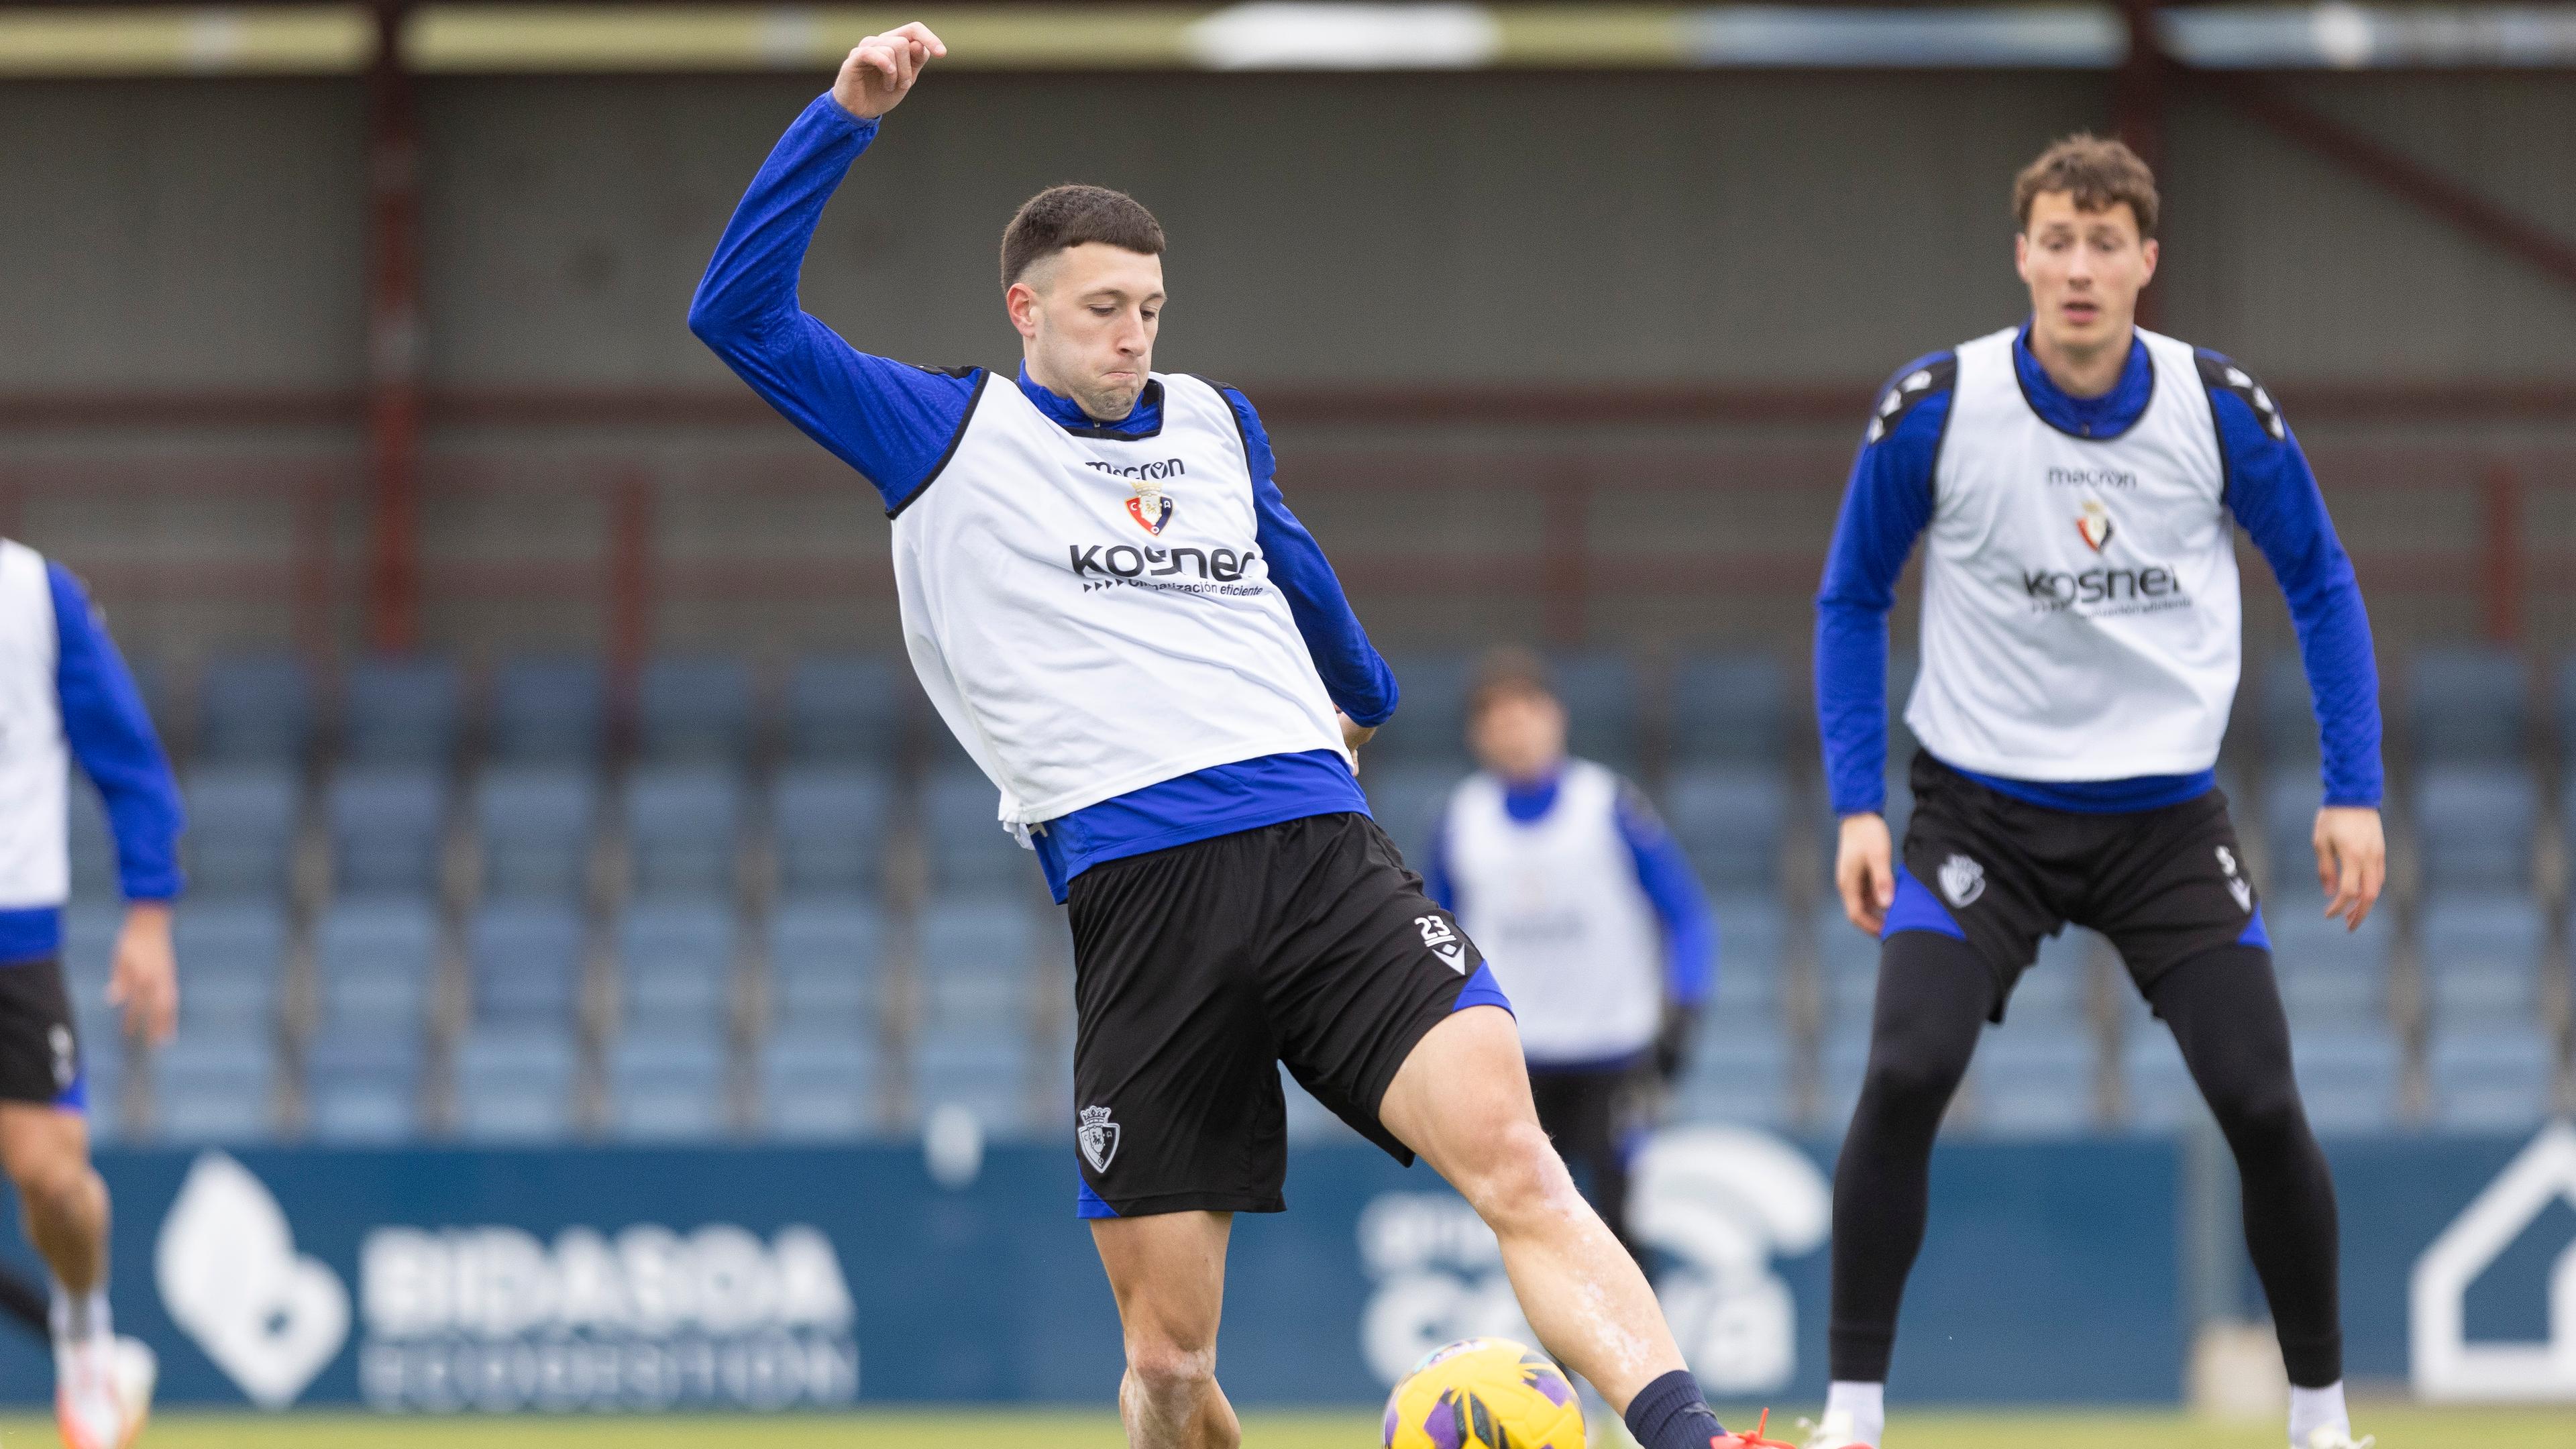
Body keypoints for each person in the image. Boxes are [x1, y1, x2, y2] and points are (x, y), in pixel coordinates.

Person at [690, 25, 1752, 1449]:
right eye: (1103, 308)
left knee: (1521, 1165)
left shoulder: (1211, 422)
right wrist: (845, 115)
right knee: (1173, 1364)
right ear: (1025, 308)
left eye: (1151, 307)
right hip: (1143, 894)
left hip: (1321, 851)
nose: (1134, 336)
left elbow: (1294, 570)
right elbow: (737, 317)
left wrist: (1361, 694)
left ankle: (1696, 1440)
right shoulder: (942, 434)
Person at [1806, 133, 2380, 1449]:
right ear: (2021, 255)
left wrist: (2357, 787)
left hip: (2164, 823)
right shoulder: (1937, 407)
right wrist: (1855, 803)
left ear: (2146, 264)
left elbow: (2325, 582)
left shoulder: (2219, 407)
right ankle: (1852, 1417)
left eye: (2105, 243)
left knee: (2261, 1097)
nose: (2079, 267)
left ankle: (2322, 1415)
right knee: (1904, 1069)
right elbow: (1851, 596)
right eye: (2056, 241)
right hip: (1979, 819)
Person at [1422, 648, 1715, 1260]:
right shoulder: (1462, 821)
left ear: (1555, 717)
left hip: (1613, 1051)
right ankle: (1539, 1359)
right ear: (1478, 737)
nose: (1514, 732)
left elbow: (1684, 911)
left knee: (1621, 1225)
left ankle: (1641, 1359)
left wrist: (1685, 1010)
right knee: (1528, 1232)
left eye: (1525, 713)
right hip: (1515, 1059)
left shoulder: (1608, 806)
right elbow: (1436, 934)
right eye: (1497, 720)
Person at [0, 546, 183, 1449]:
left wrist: (149, 914)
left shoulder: (35, 596)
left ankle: (86, 1342)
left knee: (50, 1181)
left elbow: (128, 755)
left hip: (12, 938)